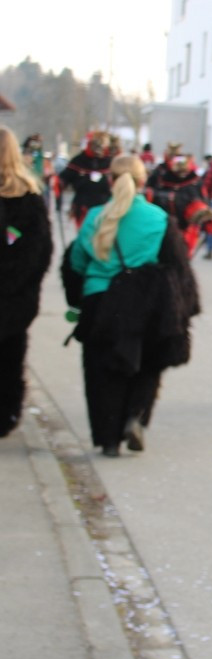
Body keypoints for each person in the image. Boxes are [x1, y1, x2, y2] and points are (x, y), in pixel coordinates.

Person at [64, 155, 200, 456]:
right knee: (147, 364)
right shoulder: (158, 218)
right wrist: (185, 307)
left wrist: (76, 302)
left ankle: (108, 438)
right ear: (143, 181)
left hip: (101, 301)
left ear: (111, 180)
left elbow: (76, 262)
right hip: (146, 300)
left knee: (101, 371)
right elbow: (177, 264)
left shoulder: (95, 217)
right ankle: (135, 416)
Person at [0, 126, 53, 437]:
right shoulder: (30, 199)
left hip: (14, 296)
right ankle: (5, 415)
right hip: (15, 298)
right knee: (9, 356)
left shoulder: (30, 199)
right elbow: (41, 252)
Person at [146, 152, 212, 258]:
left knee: (181, 254)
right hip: (164, 224)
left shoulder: (193, 181)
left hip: (183, 226)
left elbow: (198, 203)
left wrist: (203, 214)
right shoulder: (163, 178)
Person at [59, 130, 120, 229]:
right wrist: (59, 183)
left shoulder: (111, 162)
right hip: (83, 206)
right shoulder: (78, 160)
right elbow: (65, 177)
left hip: (105, 206)